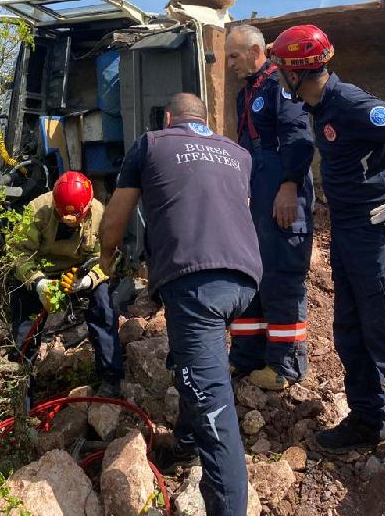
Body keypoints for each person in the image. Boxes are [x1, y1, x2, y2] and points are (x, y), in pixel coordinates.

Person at [269, 24, 385, 477]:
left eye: (281, 67)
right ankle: (369, 419)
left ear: (296, 72)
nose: (277, 75)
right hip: (348, 236)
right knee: (349, 330)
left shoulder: (350, 104)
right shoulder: (319, 107)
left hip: (381, 236)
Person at [99, 93, 263, 516]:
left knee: (216, 411)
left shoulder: (152, 143)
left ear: (169, 117)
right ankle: (185, 443)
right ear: (205, 120)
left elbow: (116, 219)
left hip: (195, 282)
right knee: (194, 362)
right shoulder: (238, 154)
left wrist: (106, 257)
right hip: (244, 279)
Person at [225, 24, 314, 390]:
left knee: (281, 273)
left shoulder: (281, 85)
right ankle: (247, 358)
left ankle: (285, 365)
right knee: (252, 272)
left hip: (280, 184)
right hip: (256, 187)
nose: (228, 63)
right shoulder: (247, 92)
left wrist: (289, 186)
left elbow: (299, 138)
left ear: (257, 51)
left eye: (234, 55)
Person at [9, 170, 123, 397]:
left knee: (103, 307)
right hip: (41, 273)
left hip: (79, 275)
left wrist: (90, 280)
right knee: (24, 320)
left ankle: (110, 377)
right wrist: (38, 282)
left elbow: (110, 256)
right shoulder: (36, 210)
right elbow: (17, 253)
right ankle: (23, 384)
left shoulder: (99, 213)